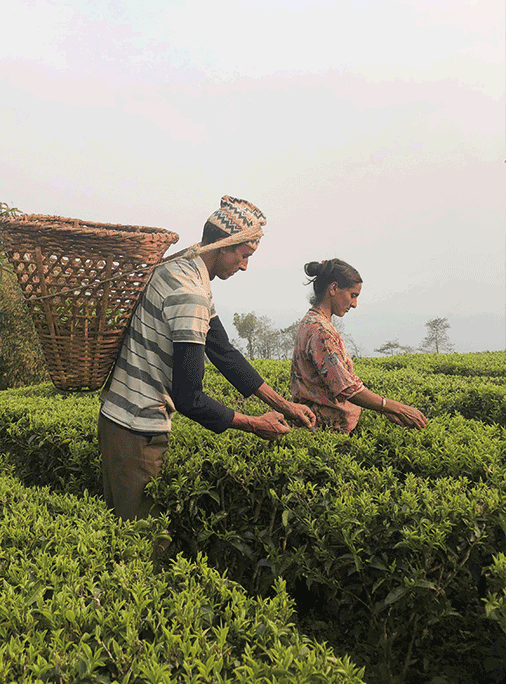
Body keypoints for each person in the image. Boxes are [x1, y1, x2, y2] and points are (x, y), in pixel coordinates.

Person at [98, 196, 316, 521]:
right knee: (141, 541)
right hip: (137, 429)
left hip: (118, 417)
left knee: (120, 528)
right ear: (223, 247)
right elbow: (189, 397)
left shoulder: (183, 269)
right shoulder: (191, 295)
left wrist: (284, 405)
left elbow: (223, 351)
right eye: (244, 256)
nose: (244, 266)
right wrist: (255, 424)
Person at [290, 259, 427, 434]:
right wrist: (394, 407)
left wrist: (385, 409)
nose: (354, 304)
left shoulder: (310, 322)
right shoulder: (321, 330)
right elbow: (346, 387)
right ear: (333, 289)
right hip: (326, 433)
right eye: (352, 295)